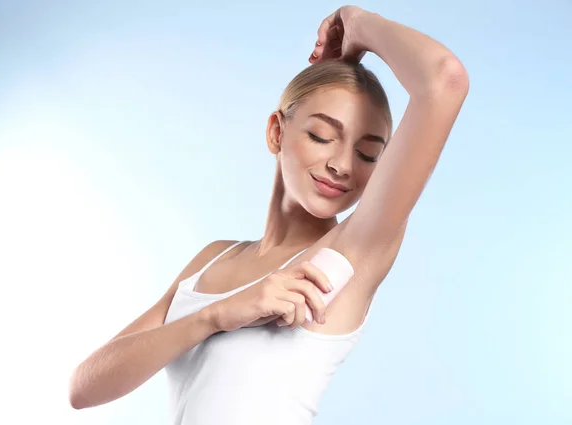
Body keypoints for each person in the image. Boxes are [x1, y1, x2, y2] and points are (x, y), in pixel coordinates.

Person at [68, 5, 469, 424]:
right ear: (277, 132)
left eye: (367, 153)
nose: (343, 165)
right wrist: (216, 316)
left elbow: (445, 79)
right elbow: (84, 388)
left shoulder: (352, 251)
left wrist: (357, 24)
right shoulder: (212, 259)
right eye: (322, 136)